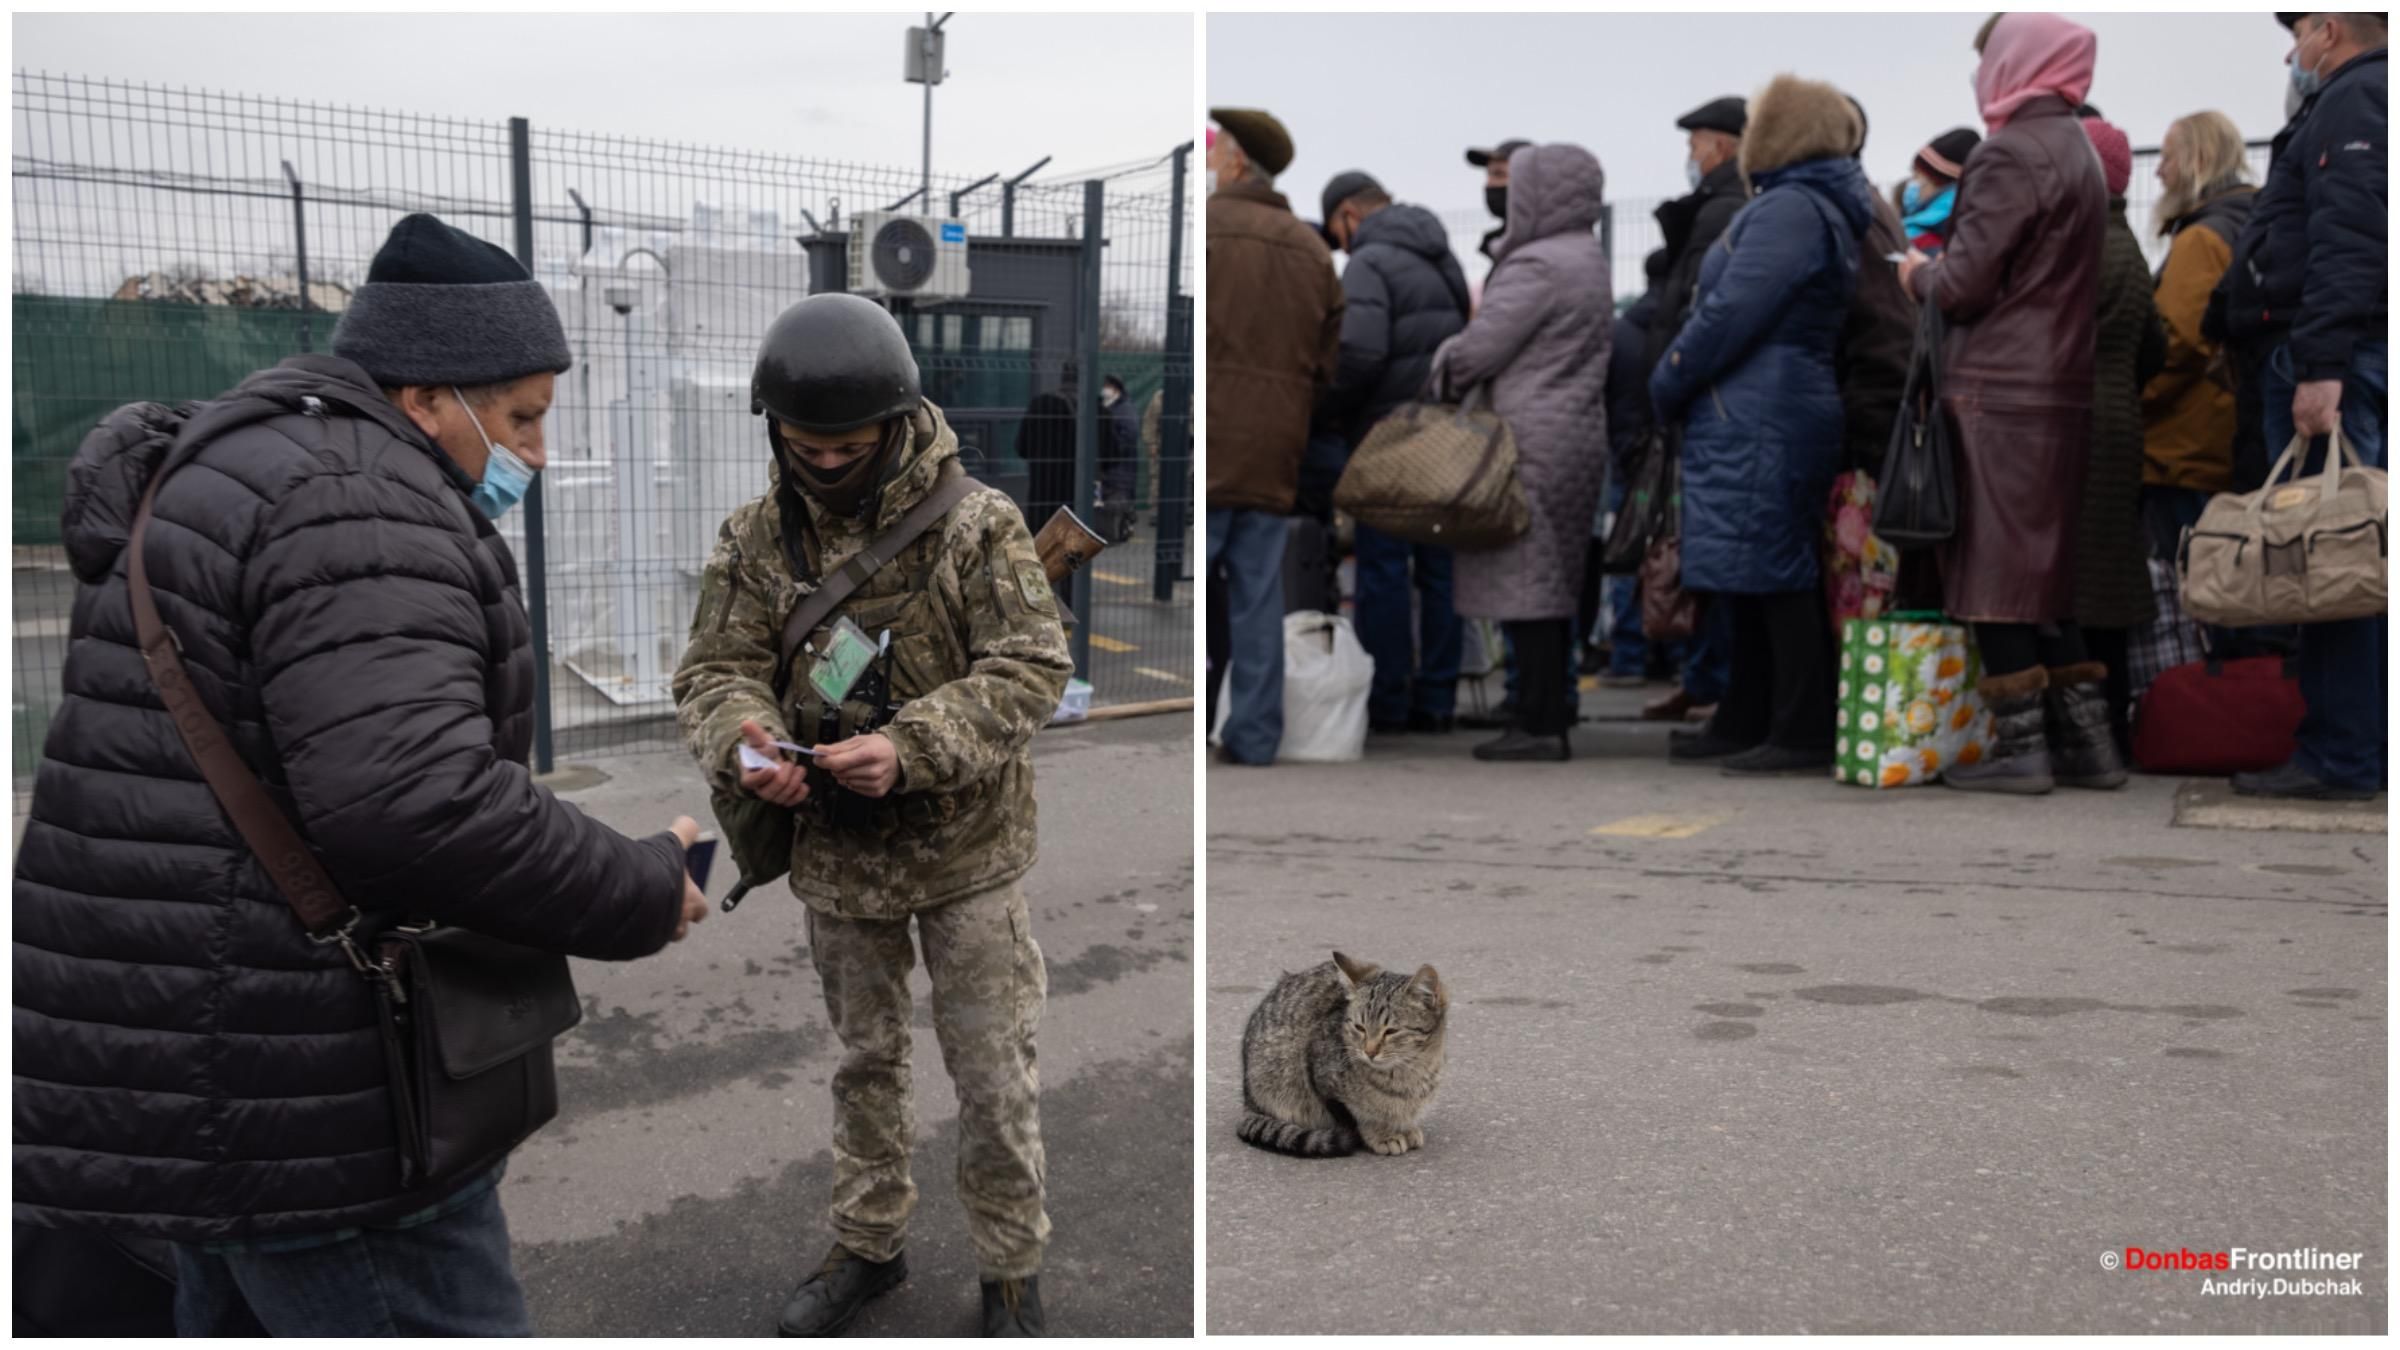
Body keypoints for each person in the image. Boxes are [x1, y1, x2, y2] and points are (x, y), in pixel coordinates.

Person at [11, 212, 710, 1336]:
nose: (535, 450)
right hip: (304, 1094)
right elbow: (415, 803)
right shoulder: (358, 495)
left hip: (193, 1062)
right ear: (428, 397)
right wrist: (638, 884)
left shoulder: (245, 465)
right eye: (522, 417)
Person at [674, 294, 1072, 1336]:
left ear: (895, 424)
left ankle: (1011, 1269)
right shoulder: (755, 537)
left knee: (992, 1073)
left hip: (969, 855)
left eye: (847, 446)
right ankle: (868, 1247)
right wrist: (749, 745)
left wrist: (911, 746)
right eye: (806, 445)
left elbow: (1031, 668)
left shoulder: (978, 525)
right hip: (841, 864)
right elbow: (716, 670)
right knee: (864, 1066)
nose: (825, 463)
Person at [1900, 11, 2110, 796]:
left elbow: (1961, 285)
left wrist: (1914, 276)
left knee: (1993, 578)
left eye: (1989, 57)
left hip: (1996, 394)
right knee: (2043, 578)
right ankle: (2090, 747)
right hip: (2056, 388)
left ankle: (2022, 751)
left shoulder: (2009, 153)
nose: (1979, 71)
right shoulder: (2078, 149)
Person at [1652, 75, 1874, 777]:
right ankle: (1746, 714)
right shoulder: (1804, 204)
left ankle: (1800, 724)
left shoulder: (1790, 210)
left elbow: (1730, 313)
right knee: (1750, 572)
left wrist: (1670, 375)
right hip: (1763, 405)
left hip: (1762, 409)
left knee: (1775, 572)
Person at [2220, 11, 2387, 801]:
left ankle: (2343, 755)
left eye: (2297, 32)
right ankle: (2348, 748)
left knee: (2333, 556)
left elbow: (2350, 237)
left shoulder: (2354, 101)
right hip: (2348, 351)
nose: (2292, 51)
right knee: (2348, 553)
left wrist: (2321, 364)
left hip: (2334, 361)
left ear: (2328, 29)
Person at [1429, 143, 1612, 763]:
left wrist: (1443, 365)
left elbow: (1482, 347)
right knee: (1554, 581)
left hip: (1526, 437)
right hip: (1575, 433)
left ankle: (1536, 723)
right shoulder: (1588, 256)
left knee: (1528, 581)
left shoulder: (1537, 265)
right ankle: (1549, 709)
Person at [1205, 109, 1345, 766]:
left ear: (1236, 162)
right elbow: (1325, 365)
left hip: (1210, 439)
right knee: (1258, 595)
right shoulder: (1312, 248)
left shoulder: (1209, 225)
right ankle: (1255, 736)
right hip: (1275, 446)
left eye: (1216, 152)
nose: (1210, 163)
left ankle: (1191, 729)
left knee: (1198, 580)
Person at [1318, 169, 1472, 735]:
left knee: (1383, 569)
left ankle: (1387, 700)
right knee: (1439, 570)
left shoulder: (1369, 261)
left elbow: (1360, 352)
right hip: (1445, 430)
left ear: (1348, 215)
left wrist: (1329, 409)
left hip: (1386, 435)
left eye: (1338, 234)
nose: (1341, 245)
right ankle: (1438, 698)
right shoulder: (1442, 254)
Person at [1643, 95, 1750, 730]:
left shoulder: (1724, 210)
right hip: (1700, 403)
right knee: (1705, 556)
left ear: (1727, 146)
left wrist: (1672, 375)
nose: (1691, 156)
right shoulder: (1715, 208)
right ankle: (1708, 680)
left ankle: (1720, 686)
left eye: (1698, 144)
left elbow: (1701, 307)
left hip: (1708, 407)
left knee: (1714, 559)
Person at [2071, 115, 2169, 762]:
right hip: (2121, 421)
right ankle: (2111, 727)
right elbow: (2156, 346)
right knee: (2106, 580)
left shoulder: (2080, 246)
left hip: (2077, 419)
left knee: (2075, 587)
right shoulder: (2128, 243)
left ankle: (2086, 734)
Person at [2143, 110, 2257, 556]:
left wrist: (2135, 397)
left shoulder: (2200, 239)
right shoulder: (2248, 219)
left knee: (2190, 585)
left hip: (2186, 449)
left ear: (2198, 159)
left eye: (2167, 157)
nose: (2158, 169)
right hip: (2228, 438)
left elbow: (2179, 342)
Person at [1590, 248, 1673, 691]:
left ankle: (1628, 654)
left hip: (1628, 456)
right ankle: (1675, 648)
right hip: (1674, 458)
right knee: (1675, 552)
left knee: (1626, 555)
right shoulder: (1682, 323)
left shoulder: (1621, 333)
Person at [1900, 129, 1981, 256]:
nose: (1911, 184)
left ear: (1937, 181)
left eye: (1917, 175)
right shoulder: (1970, 227)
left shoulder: (1919, 236)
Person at [1016, 360, 1077, 528]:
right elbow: (1111, 455)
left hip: (1040, 498)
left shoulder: (1039, 404)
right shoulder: (1093, 408)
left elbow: (1021, 447)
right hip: (1075, 503)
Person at [1465, 137, 1533, 263]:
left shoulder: (1541, 248)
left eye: (1499, 174)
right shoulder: (1501, 244)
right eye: (1488, 175)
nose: (1489, 184)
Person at [1098, 372, 1139, 541]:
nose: (1105, 390)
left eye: (1108, 387)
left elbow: (1130, 434)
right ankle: (1114, 531)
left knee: (1119, 499)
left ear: (1116, 390)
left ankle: (1120, 531)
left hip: (1121, 466)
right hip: (1112, 466)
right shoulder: (1110, 407)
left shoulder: (1124, 409)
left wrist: (1113, 450)